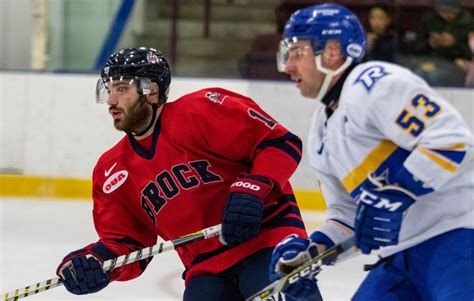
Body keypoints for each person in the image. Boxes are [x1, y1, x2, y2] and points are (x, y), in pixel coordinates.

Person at [55, 47, 320, 301]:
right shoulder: (110, 170)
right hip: (205, 268)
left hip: (268, 239)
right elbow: (127, 242)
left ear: (152, 90)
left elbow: (279, 143)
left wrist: (255, 186)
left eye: (121, 89)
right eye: (108, 90)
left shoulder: (201, 111)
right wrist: (94, 263)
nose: (111, 101)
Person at [269, 3, 474, 301]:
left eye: (298, 54)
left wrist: (395, 193)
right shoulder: (320, 131)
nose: (288, 66)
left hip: (457, 235)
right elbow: (349, 216)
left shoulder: (374, 83)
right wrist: (312, 252)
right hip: (398, 260)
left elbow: (451, 141)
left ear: (333, 52)